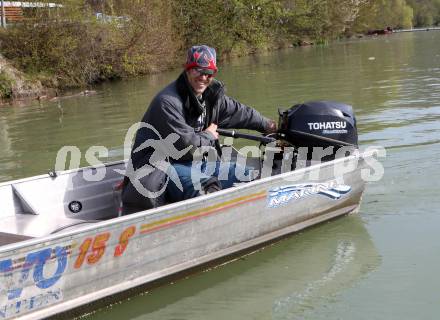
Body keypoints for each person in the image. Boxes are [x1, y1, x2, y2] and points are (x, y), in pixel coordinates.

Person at [121, 45, 277, 214]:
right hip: (159, 169)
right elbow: (187, 146)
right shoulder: (167, 102)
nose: (204, 77)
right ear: (187, 69)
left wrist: (270, 126)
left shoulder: (211, 97)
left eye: (209, 73)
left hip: (193, 164)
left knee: (248, 174)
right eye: (199, 71)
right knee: (206, 187)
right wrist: (209, 135)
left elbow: (241, 113)